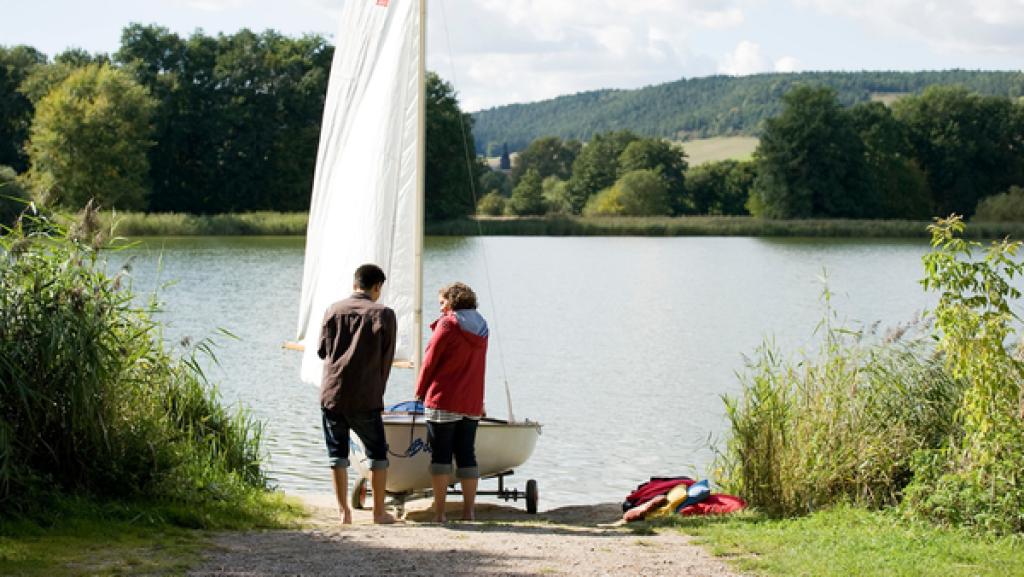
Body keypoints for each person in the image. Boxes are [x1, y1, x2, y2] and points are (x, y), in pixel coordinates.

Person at [318, 263, 398, 524]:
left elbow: (322, 351)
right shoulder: (384, 314)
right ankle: (378, 512)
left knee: (337, 454)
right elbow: (387, 356)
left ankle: (344, 512)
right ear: (377, 287)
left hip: (333, 393)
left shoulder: (333, 310)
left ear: (355, 284)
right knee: (377, 454)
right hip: (366, 395)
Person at [414, 282, 489, 522]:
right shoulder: (483, 327)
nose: (441, 308)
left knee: (441, 456)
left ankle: (440, 514)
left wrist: (419, 392)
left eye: (443, 302)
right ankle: (469, 512)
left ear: (453, 301)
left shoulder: (447, 324)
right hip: (471, 402)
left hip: (443, 399)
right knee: (467, 455)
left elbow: (430, 362)